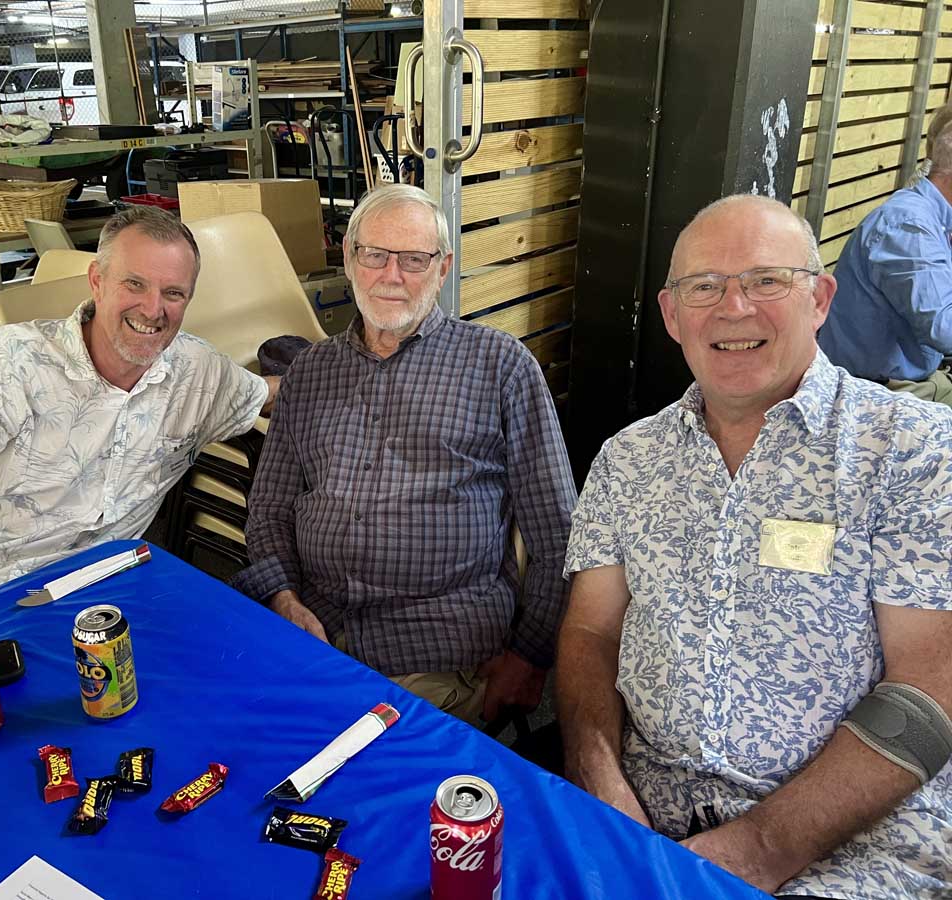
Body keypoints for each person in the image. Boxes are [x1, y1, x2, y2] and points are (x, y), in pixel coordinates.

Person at [558, 193, 952, 898]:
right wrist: (600, 788)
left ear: (820, 298)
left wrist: (754, 851)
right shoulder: (627, 460)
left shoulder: (912, 451)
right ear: (672, 314)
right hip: (643, 815)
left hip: (854, 846)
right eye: (704, 286)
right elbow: (590, 634)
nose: (733, 308)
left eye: (767, 280)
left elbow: (931, 688)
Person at [234, 184, 577, 725]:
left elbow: (558, 532)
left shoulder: (501, 366)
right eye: (375, 254)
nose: (391, 275)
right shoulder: (311, 371)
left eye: (414, 259)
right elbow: (270, 508)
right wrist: (283, 598)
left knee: (372, 776)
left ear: (442, 270)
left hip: (434, 652)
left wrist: (530, 659)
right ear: (350, 259)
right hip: (310, 635)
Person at [0, 206, 275, 643]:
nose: (153, 309)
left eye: (173, 293)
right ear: (97, 280)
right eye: (134, 284)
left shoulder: (197, 371)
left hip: (99, 608)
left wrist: (325, 369)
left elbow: (267, 393)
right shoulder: (9, 364)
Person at [818, 120, 952, 406]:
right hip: (876, 392)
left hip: (915, 376)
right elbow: (944, 329)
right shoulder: (909, 226)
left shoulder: (934, 217)